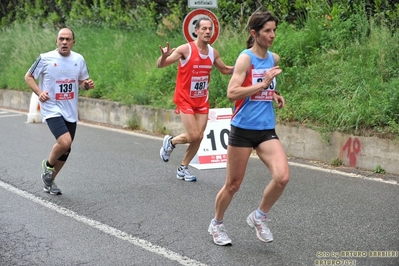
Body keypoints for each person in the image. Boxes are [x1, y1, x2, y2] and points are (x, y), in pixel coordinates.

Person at [208, 11, 290, 245]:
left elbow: (262, 89)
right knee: (233, 185)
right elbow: (232, 92)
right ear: (254, 33)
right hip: (243, 128)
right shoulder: (246, 58)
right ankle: (217, 224)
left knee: (282, 177)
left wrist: (273, 93)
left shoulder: (273, 58)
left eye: (274, 30)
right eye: (267, 31)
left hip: (265, 129)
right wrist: (262, 84)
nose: (272, 35)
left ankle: (259, 216)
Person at [157, 17, 233, 182]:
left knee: (199, 136)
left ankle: (183, 168)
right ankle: (171, 141)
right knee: (193, 135)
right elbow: (161, 65)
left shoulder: (213, 53)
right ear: (196, 31)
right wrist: (164, 56)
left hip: (202, 100)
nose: (207, 32)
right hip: (185, 98)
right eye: (204, 29)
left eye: (209, 29)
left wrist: (244, 67)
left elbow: (225, 70)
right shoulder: (186, 49)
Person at [25, 28, 95, 195]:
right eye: (61, 39)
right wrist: (40, 92)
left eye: (68, 39)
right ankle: (48, 166)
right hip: (51, 108)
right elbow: (28, 76)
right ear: (56, 41)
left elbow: (81, 81)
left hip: (70, 109)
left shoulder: (79, 59)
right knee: (65, 142)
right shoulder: (45, 58)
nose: (64, 42)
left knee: (67, 149)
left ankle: (49, 182)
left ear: (73, 42)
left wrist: (86, 85)